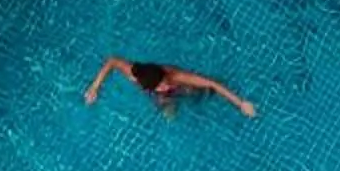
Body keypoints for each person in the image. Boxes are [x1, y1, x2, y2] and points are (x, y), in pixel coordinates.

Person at [84, 57, 256, 117]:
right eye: (161, 86)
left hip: (182, 87)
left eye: (163, 82)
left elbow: (213, 83)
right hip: (161, 95)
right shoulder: (133, 72)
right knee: (168, 114)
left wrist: (240, 103)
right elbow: (112, 61)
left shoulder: (176, 77)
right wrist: (95, 87)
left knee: (201, 92)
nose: (164, 85)